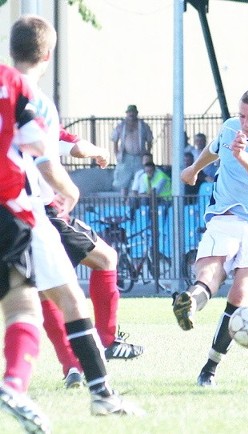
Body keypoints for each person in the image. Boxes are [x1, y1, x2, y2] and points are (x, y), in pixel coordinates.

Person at [11, 14, 142, 415]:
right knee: (64, 294)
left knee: (30, 298)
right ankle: (95, 378)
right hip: (30, 208)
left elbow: (59, 141)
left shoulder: (5, 89)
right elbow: (46, 149)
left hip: (12, 210)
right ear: (48, 53)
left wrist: (88, 149)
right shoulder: (31, 96)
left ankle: (65, 372)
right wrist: (68, 187)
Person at [173, 88, 248, 387]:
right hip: (224, 216)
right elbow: (214, 148)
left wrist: (240, 156)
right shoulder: (229, 128)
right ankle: (191, 303)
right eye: (242, 116)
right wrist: (193, 169)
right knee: (208, 277)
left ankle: (208, 367)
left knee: (239, 295)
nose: (245, 123)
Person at [40, 128, 144, 390]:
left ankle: (71, 365)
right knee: (106, 259)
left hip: (11, 217)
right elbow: (75, 149)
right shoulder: (31, 111)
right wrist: (101, 152)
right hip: (42, 214)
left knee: (42, 291)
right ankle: (107, 341)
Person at [0, 63, 51, 434]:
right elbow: (37, 140)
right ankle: (15, 383)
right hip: (6, 204)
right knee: (22, 301)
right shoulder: (10, 80)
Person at [111, 104, 153, 199]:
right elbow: (114, 139)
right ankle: (123, 200)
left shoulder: (143, 125)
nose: (131, 114)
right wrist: (116, 153)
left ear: (136, 113)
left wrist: (147, 154)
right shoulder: (121, 126)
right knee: (123, 182)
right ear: (126, 113)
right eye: (129, 112)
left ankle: (138, 201)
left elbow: (150, 140)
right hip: (126, 157)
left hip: (140, 157)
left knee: (140, 179)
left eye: (133, 112)